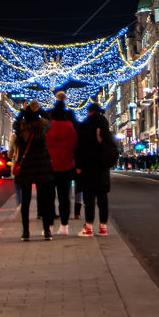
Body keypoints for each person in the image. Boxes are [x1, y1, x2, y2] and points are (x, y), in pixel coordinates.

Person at [14, 101, 55, 241]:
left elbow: (16, 123)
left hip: (25, 168)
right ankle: (46, 231)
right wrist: (39, 109)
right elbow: (49, 119)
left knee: (25, 201)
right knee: (44, 200)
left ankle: (25, 233)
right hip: (41, 167)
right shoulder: (42, 127)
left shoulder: (21, 127)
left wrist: (23, 110)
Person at [75, 101, 117, 238]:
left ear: (89, 112)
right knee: (102, 198)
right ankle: (103, 227)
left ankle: (88, 227)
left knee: (89, 199)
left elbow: (81, 149)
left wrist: (79, 166)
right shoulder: (105, 127)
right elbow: (112, 148)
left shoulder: (86, 126)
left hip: (88, 167)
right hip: (103, 168)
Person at [45, 94, 78, 235]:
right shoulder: (70, 126)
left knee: (49, 198)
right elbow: (75, 144)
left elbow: (43, 146)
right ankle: (64, 226)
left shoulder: (48, 128)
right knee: (65, 197)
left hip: (49, 167)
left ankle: (49, 227)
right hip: (66, 166)